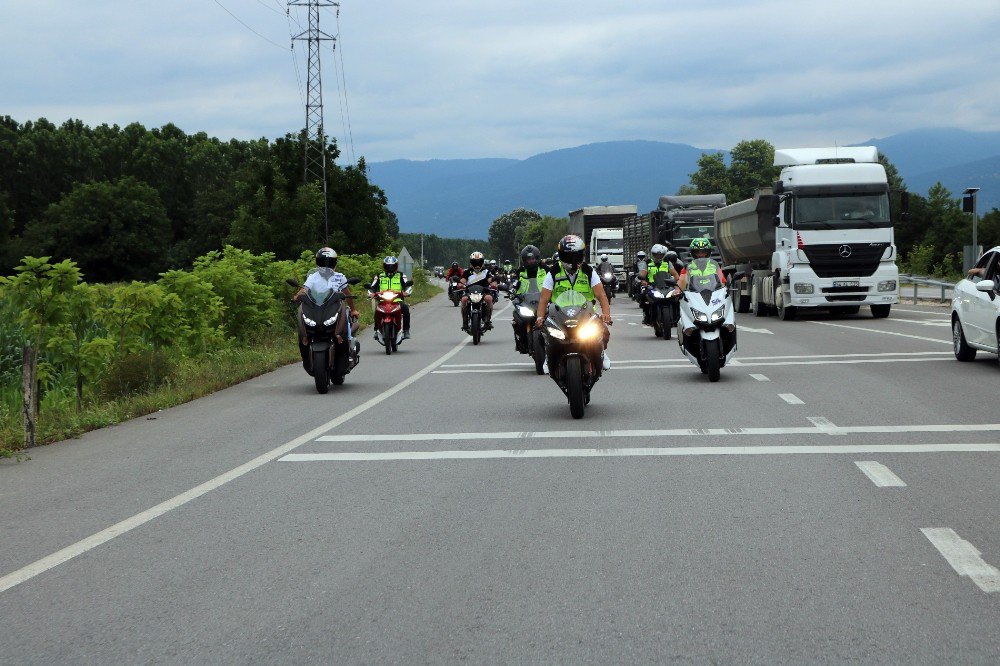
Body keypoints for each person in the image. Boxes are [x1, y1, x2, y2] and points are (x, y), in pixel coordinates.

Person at [534, 235, 613, 371]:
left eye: (576, 256)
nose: (572, 261)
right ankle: (549, 355)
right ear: (561, 255)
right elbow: (544, 299)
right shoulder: (553, 272)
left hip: (585, 314)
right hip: (558, 315)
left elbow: (601, 295)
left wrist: (606, 314)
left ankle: (601, 352)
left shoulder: (589, 272)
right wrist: (540, 317)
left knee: (603, 330)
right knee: (543, 332)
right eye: (568, 256)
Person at [294, 247, 360, 366]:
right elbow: (304, 289)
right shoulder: (313, 277)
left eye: (329, 263)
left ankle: (348, 342)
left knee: (346, 313)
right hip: (317, 308)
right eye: (323, 263)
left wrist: (354, 310)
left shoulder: (340, 277)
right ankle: (305, 341)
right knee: (302, 317)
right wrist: (298, 295)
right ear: (317, 263)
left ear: (334, 263)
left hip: (336, 307)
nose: (326, 266)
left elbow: (347, 294)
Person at [368, 255, 414, 339]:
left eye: (392, 266)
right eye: (388, 266)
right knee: (377, 311)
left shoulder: (401, 275)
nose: (390, 268)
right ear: (384, 266)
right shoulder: (379, 276)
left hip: (397, 300)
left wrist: (406, 292)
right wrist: (371, 293)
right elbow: (372, 287)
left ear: (396, 266)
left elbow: (408, 286)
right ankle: (376, 330)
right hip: (383, 300)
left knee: (406, 309)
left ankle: (406, 330)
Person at [639, 244, 680, 324]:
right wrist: (643, 281)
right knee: (644, 297)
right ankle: (647, 316)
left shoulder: (667, 263)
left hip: (667, 286)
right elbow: (643, 275)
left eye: (660, 255)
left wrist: (674, 280)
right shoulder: (647, 263)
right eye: (656, 255)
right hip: (652, 286)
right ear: (652, 254)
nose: (658, 256)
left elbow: (675, 275)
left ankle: (677, 316)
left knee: (678, 298)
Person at [458, 251, 498, 332]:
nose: (477, 264)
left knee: (489, 298)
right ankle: (465, 322)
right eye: (474, 262)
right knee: (463, 300)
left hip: (484, 292)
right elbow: (462, 281)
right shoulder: (467, 272)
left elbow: (491, 280)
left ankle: (487, 320)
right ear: (471, 262)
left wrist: (494, 283)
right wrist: (460, 284)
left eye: (479, 262)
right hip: (469, 292)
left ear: (482, 262)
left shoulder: (486, 272)